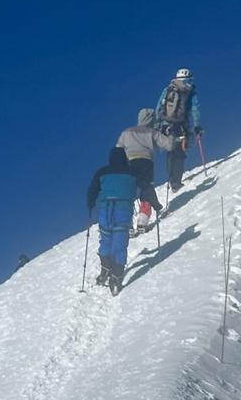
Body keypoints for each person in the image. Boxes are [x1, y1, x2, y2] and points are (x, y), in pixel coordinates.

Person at [85, 145, 141, 294]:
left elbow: (93, 189)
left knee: (106, 240)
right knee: (120, 243)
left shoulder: (102, 172)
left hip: (105, 209)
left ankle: (105, 270)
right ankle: (116, 277)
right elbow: (145, 186)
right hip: (123, 209)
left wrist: (90, 203)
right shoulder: (132, 172)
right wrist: (154, 203)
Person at [116, 107, 170, 231]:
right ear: (151, 119)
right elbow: (167, 144)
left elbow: (118, 149)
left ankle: (127, 222)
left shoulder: (126, 132)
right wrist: (174, 139)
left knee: (129, 190)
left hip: (130, 162)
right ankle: (143, 218)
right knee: (146, 187)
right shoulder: (151, 132)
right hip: (146, 162)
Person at [154, 68, 202, 191]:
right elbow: (195, 110)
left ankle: (171, 180)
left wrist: (158, 124)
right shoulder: (190, 91)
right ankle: (176, 181)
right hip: (181, 125)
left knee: (171, 151)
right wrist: (197, 126)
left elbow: (159, 107)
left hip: (166, 125)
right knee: (180, 152)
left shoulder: (168, 89)